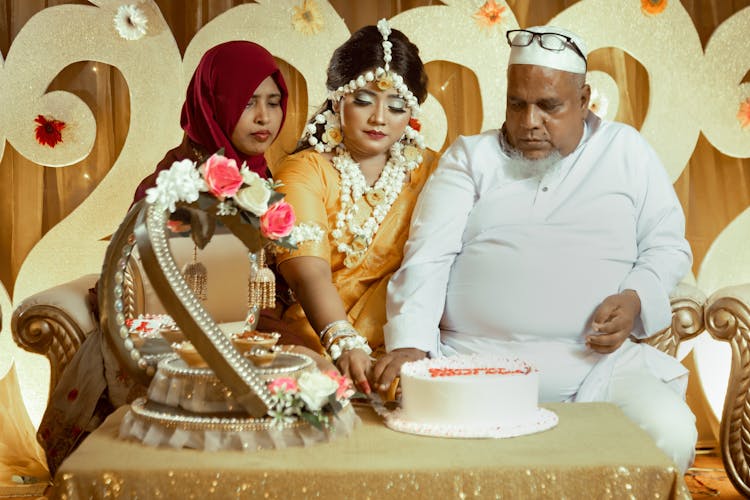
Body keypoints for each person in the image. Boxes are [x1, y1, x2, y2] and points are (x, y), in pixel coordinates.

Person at [374, 26, 697, 473]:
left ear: (584, 101)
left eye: (549, 106)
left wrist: (636, 296)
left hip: (596, 367)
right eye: (516, 103)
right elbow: (428, 256)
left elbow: (667, 244)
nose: (529, 122)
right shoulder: (470, 157)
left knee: (672, 432)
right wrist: (411, 345)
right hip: (473, 362)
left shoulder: (626, 152)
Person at [38, 40, 290, 475]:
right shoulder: (172, 182)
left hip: (241, 334)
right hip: (175, 340)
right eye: (248, 102)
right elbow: (136, 275)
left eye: (273, 101)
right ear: (213, 103)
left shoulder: (261, 178)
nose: (265, 117)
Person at [273, 20, 437, 395]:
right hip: (314, 345)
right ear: (337, 100)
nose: (379, 118)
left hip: (406, 351)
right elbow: (307, 273)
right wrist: (343, 341)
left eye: (396, 106)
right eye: (363, 101)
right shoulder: (305, 170)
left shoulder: (433, 171)